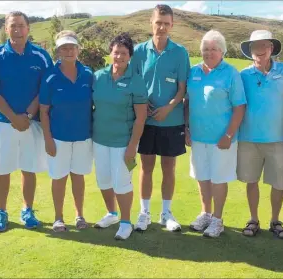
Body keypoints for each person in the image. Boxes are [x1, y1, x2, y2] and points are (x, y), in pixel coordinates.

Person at [0, 11, 53, 232]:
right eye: (13, 26)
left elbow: (45, 89)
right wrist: (14, 118)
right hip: (3, 122)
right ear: (6, 28)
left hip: (31, 122)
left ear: (28, 28)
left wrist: (28, 116)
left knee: (28, 168)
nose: (17, 30)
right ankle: (1, 213)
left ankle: (27, 210)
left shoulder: (41, 56)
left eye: (21, 26)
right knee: (1, 170)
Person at [130, 4, 191, 232]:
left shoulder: (180, 52)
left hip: (171, 120)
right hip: (144, 121)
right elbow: (134, 81)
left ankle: (166, 213)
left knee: (169, 167)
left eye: (166, 23)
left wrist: (169, 107)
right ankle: (144, 213)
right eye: (158, 23)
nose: (162, 27)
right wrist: (142, 102)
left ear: (172, 25)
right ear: (151, 23)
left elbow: (182, 88)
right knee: (146, 167)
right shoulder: (139, 51)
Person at [185, 30, 246, 238]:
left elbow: (239, 107)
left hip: (222, 139)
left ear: (222, 51)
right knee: (202, 177)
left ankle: (217, 220)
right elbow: (187, 103)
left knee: (218, 179)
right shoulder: (193, 72)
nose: (209, 53)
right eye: (205, 49)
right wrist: (186, 129)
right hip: (198, 137)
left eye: (214, 49)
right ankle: (206, 213)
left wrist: (228, 135)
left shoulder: (231, 73)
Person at [237, 30, 283, 239]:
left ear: (271, 48)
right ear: (250, 51)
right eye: (255, 47)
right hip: (248, 139)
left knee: (279, 183)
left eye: (264, 46)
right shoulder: (243, 75)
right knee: (251, 181)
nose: (260, 51)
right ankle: (253, 219)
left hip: (278, 139)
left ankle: (275, 221)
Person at [91, 33, 148, 240]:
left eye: (124, 53)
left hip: (123, 142)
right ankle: (112, 214)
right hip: (99, 139)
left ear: (130, 56)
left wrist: (133, 146)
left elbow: (141, 117)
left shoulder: (136, 81)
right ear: (110, 53)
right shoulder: (98, 77)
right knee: (104, 180)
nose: (119, 57)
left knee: (122, 182)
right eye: (116, 52)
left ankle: (125, 222)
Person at [39, 30, 93, 232]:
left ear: (78, 49)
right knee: (59, 177)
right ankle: (59, 218)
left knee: (78, 177)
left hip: (83, 137)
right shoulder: (50, 77)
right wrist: (48, 139)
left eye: (72, 47)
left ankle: (79, 216)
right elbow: (44, 111)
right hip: (58, 138)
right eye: (64, 48)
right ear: (58, 51)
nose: (69, 51)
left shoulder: (88, 74)